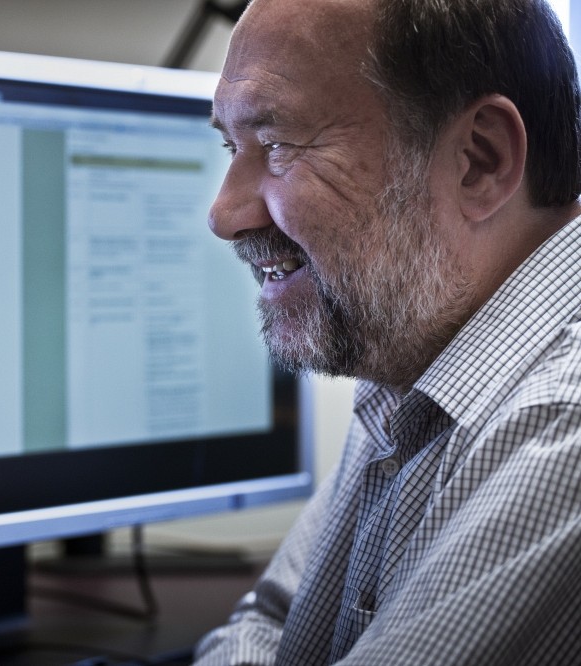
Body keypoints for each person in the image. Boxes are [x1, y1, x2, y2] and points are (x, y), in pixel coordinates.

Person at [194, 0, 581, 663]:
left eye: (280, 144)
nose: (224, 214)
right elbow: (268, 626)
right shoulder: (420, 349)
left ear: (479, 160)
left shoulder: (558, 428)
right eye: (232, 146)